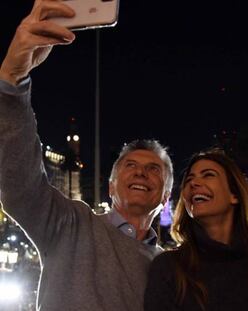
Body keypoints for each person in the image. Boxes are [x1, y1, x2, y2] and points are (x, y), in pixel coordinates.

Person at [0, 1, 173, 310]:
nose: (141, 173)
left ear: (166, 195)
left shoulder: (170, 271)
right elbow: (20, 183)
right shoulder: (71, 225)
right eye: (130, 166)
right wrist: (12, 81)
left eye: (154, 169)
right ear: (110, 187)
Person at [144, 149, 248, 311]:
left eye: (208, 175)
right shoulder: (169, 267)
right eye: (188, 180)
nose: (193, 183)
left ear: (234, 195)